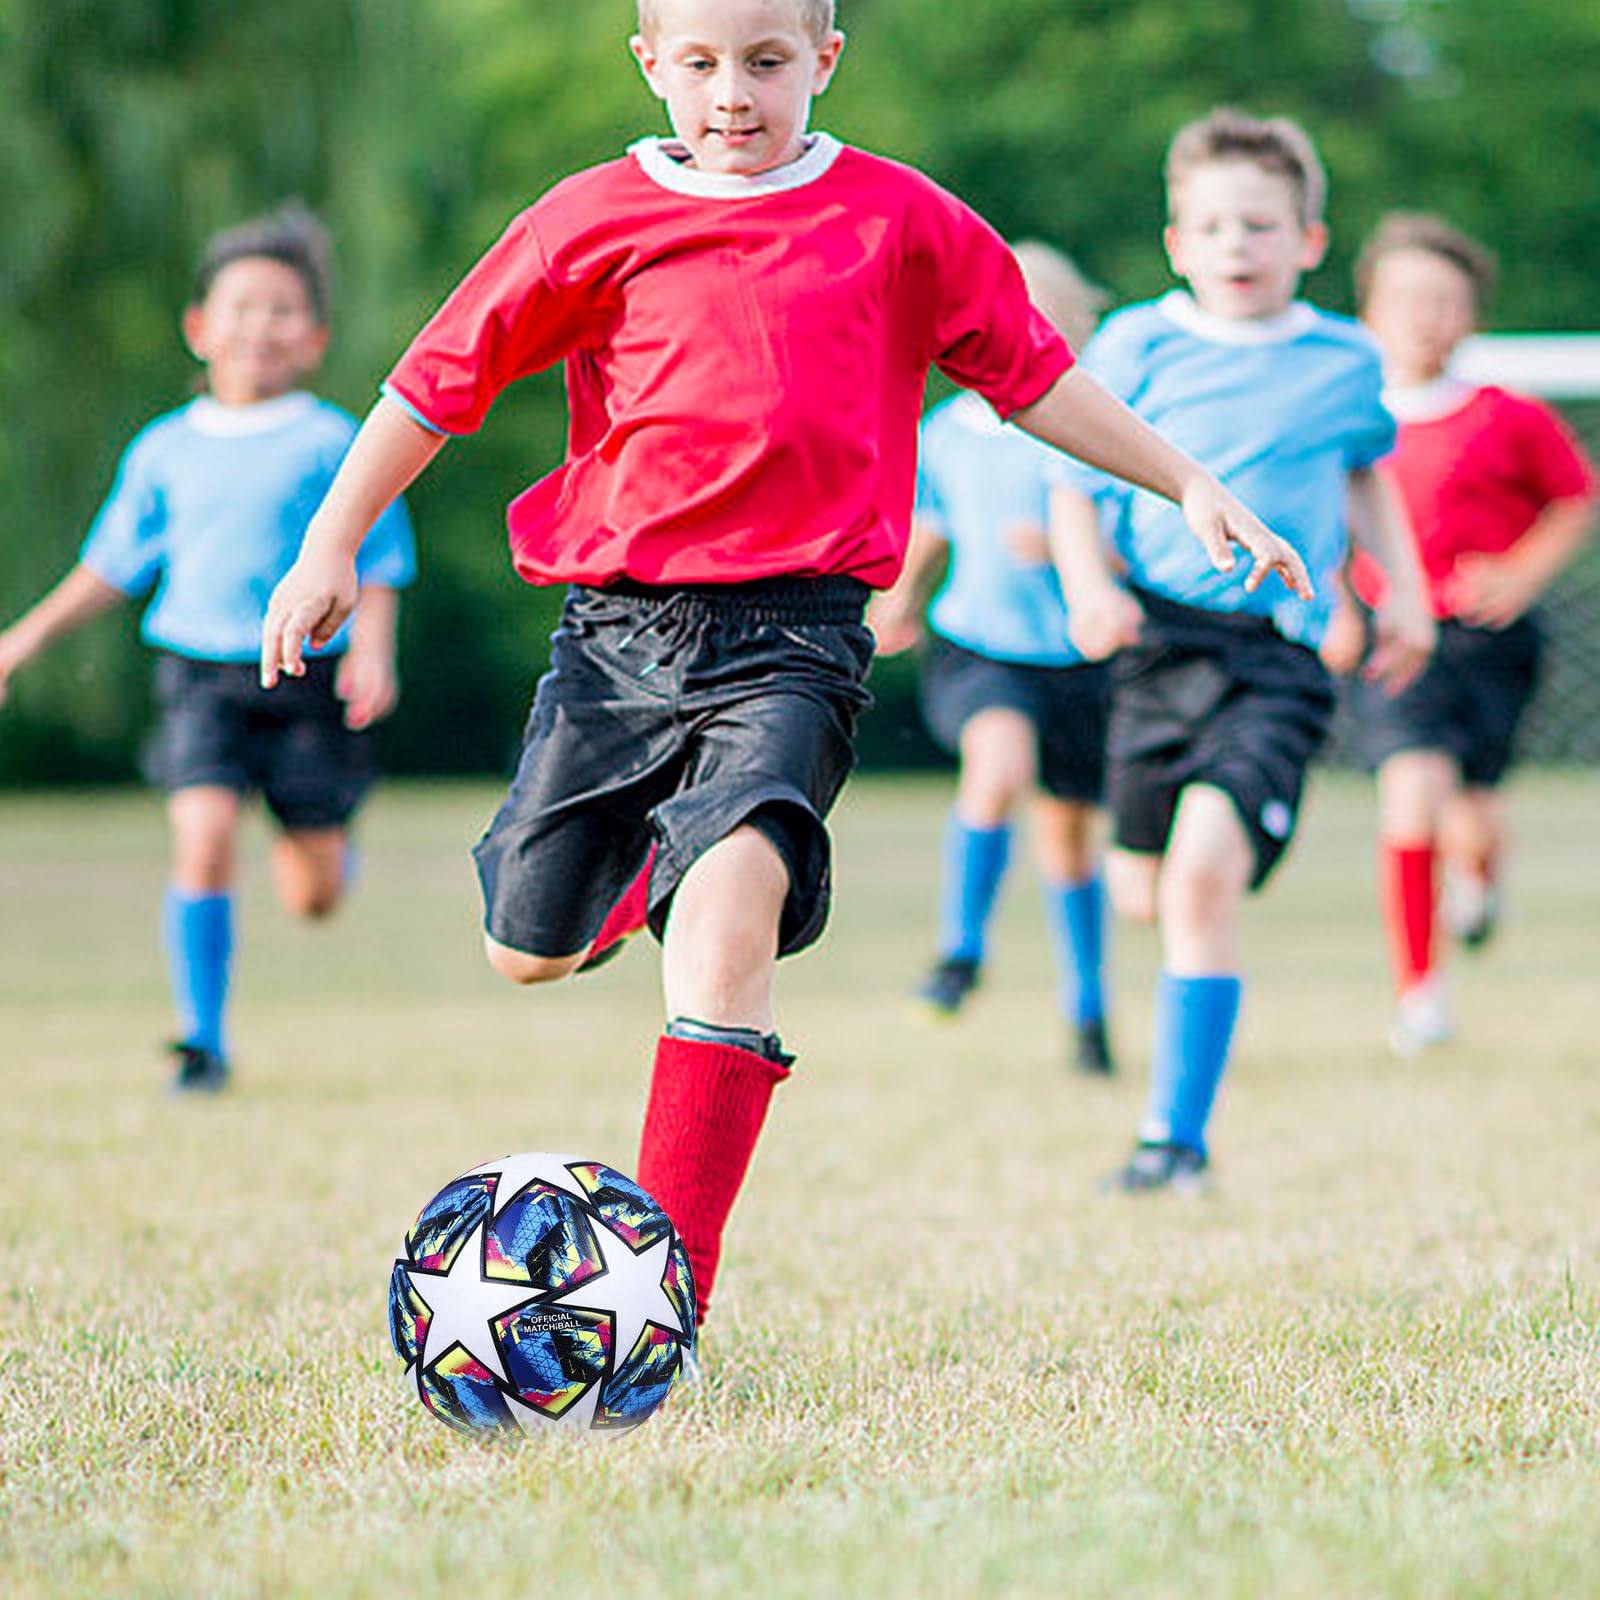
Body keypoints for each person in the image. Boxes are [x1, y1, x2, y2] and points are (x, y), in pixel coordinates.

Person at [259, 2, 1309, 1337]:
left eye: (765, 62)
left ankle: (664, 1301)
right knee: (523, 949)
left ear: (824, 58)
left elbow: (1034, 378)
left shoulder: (898, 219)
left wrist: (1185, 481)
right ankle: (636, 870)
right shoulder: (586, 218)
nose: (733, 95)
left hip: (796, 638)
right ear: (650, 64)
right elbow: (433, 385)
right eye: (699, 64)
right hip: (617, 638)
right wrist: (330, 541)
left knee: (731, 911)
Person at [1050, 109, 1435, 1193]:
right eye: (1213, 226)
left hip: (1275, 657)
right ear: (1177, 243)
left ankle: (1173, 1141)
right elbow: (1072, 482)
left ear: (1308, 241)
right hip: (1154, 644)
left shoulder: (1343, 359)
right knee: (1142, 890)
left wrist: (1402, 593)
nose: (1236, 246)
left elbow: (1363, 476)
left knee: (1199, 882)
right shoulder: (1136, 344)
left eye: (1260, 226)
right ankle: (1172, 1079)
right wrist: (1086, 587)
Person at [0, 203, 416, 1093]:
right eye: (241, 307)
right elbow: (108, 568)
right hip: (198, 675)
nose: (260, 326)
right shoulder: (164, 449)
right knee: (203, 836)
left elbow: (378, 558)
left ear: (314, 338)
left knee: (314, 897)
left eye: (282, 310)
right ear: (200, 328)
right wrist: (18, 642)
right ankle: (202, 1042)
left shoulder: (334, 440)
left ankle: (322, 837)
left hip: (308, 674)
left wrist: (373, 650)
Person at [1327, 213, 1596, 1054]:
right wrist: (1338, 608)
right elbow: (1326, 523)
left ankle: (1479, 880)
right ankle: (1420, 994)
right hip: (1397, 640)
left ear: (1471, 315)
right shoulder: (1345, 418)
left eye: (1444, 300)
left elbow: (1573, 499)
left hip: (1488, 641)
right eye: (1406, 298)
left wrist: (1518, 575)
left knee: (1472, 812)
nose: (1424, 316)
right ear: (1369, 312)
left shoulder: (1507, 415)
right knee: (1411, 791)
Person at [867, 241, 1118, 1075]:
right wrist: (899, 597)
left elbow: (1136, 534)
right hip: (979, 644)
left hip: (1079, 655)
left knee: (1068, 838)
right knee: (997, 766)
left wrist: (1078, 553)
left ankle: (1088, 1010)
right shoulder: (949, 431)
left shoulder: (1093, 423)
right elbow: (931, 522)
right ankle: (961, 949)